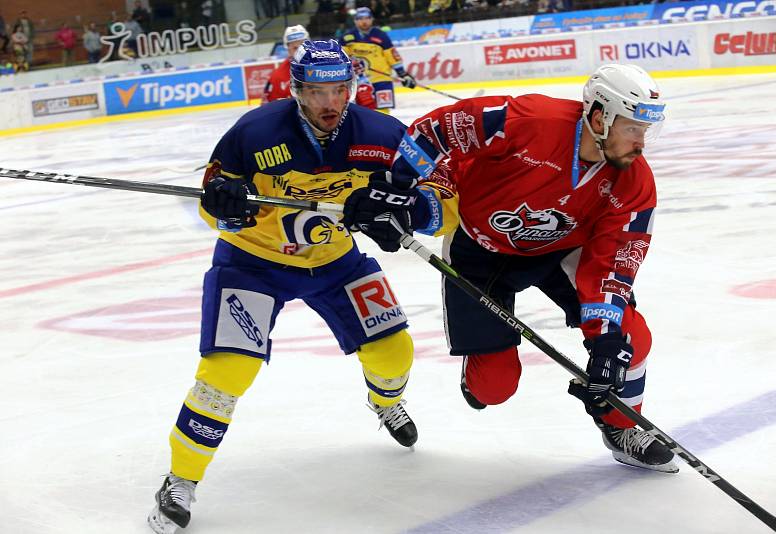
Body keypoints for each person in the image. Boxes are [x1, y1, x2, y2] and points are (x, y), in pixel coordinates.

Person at [146, 39, 452, 534]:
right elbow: (211, 203)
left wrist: (401, 214)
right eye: (316, 92)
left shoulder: (384, 134)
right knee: (226, 373)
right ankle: (181, 479)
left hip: (336, 261)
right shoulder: (254, 131)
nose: (329, 103)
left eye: (338, 90)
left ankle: (386, 400)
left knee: (395, 352)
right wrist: (224, 206)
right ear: (297, 91)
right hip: (253, 263)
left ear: (352, 87)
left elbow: (439, 197)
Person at [343, 64, 679, 473]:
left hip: (560, 252)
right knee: (494, 388)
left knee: (629, 337)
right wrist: (398, 188)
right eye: (633, 128)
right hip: (479, 248)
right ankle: (480, 371)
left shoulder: (633, 181)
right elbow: (438, 130)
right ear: (599, 117)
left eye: (647, 130)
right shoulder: (529, 121)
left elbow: (613, 262)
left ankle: (622, 427)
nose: (641, 143)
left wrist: (606, 342)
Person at [339, 7, 416, 114]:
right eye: (360, 18)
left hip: (382, 80)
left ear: (372, 19)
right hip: (360, 82)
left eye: (367, 18)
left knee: (383, 111)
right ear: (355, 20)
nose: (364, 21)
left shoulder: (381, 35)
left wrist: (403, 74)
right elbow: (341, 58)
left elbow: (392, 56)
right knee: (364, 113)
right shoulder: (346, 37)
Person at [261, 25, 308, 104]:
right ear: (288, 49)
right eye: (295, 48)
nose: (300, 51)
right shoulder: (277, 77)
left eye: (303, 46)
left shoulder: (323, 67)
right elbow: (270, 109)